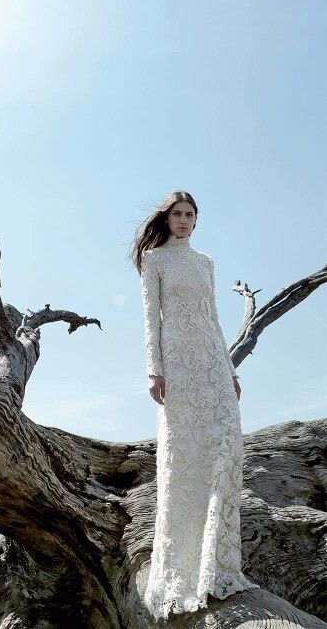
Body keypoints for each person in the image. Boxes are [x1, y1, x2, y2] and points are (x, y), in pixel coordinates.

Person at [132, 191, 259, 620]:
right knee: (184, 458)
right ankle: (183, 569)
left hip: (212, 363)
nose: (184, 220)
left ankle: (218, 563)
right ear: (166, 218)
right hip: (178, 365)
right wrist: (154, 370)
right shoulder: (154, 260)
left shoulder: (205, 262)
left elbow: (214, 318)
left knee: (227, 445)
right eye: (178, 214)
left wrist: (229, 370)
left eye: (190, 215)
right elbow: (151, 317)